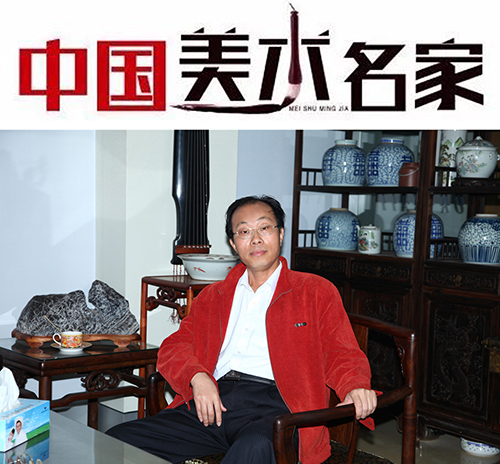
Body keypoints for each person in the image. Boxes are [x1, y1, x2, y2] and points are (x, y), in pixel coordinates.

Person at [107, 195, 377, 464]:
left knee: (254, 447)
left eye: (264, 228)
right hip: (213, 401)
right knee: (116, 441)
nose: (256, 239)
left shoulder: (314, 291)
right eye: (245, 232)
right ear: (234, 244)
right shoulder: (213, 296)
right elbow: (174, 347)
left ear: (280, 234)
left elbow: (341, 351)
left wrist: (355, 386)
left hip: (278, 408)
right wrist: (198, 377)